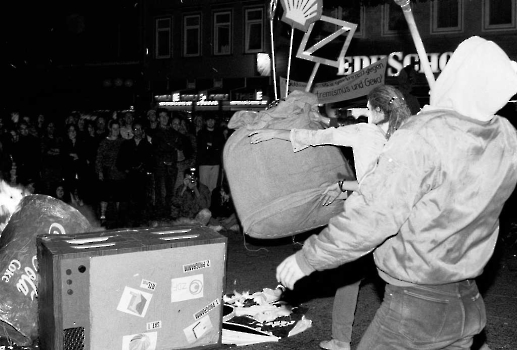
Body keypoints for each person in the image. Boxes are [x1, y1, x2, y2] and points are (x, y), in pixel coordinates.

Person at [275, 36, 517, 349]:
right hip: (468, 300)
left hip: (417, 306)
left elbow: (374, 215)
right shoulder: (506, 139)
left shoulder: (423, 135)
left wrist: (309, 258)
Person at [250, 84, 412, 350]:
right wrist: (344, 188)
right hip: (402, 222)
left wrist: (271, 133)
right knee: (377, 280)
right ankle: (342, 337)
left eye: (369, 109)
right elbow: (392, 186)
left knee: (343, 271)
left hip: (370, 222)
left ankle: (338, 334)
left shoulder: (364, 133)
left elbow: (318, 137)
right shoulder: (408, 136)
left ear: (378, 110)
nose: (367, 114)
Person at [117, 120, 154, 226]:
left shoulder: (147, 145)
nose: (137, 131)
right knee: (129, 200)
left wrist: (144, 168)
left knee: (142, 200)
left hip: (142, 177)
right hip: (129, 177)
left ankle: (141, 221)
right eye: (135, 129)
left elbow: (151, 162)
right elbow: (120, 161)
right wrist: (126, 169)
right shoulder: (126, 144)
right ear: (132, 131)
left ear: (142, 131)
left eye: (139, 129)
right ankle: (128, 222)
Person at [152, 109, 184, 216]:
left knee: (170, 192)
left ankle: (167, 213)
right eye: (161, 116)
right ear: (158, 119)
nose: (164, 118)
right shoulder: (155, 133)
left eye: (165, 116)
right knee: (160, 191)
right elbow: (156, 150)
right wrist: (169, 148)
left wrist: (170, 156)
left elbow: (179, 146)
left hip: (171, 166)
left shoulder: (174, 133)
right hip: (160, 166)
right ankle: (160, 213)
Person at [95, 119, 126, 223]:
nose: (116, 130)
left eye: (118, 128)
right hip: (107, 172)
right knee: (105, 195)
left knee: (119, 196)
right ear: (110, 129)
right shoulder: (104, 142)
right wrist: (99, 171)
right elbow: (99, 158)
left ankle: (117, 215)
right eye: (114, 128)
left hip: (119, 173)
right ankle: (103, 215)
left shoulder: (123, 142)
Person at [197, 115, 225, 193]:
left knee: (213, 187)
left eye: (212, 120)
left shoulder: (219, 133)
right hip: (204, 163)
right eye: (208, 120)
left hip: (215, 163)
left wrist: (210, 146)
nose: (210, 122)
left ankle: (212, 204)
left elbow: (220, 146)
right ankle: (204, 204)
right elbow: (201, 147)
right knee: (203, 186)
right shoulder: (201, 133)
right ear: (205, 122)